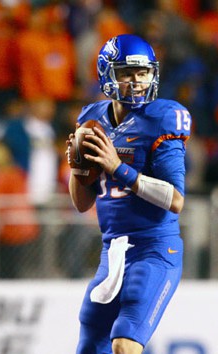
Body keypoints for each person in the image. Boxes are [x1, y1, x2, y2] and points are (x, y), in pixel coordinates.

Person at [66, 34, 191, 354]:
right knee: (90, 346)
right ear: (107, 74)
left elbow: (176, 200)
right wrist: (77, 170)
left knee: (124, 344)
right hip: (112, 251)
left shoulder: (163, 117)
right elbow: (81, 203)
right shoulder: (91, 119)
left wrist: (118, 167)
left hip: (154, 250)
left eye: (143, 73)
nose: (136, 81)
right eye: (126, 73)